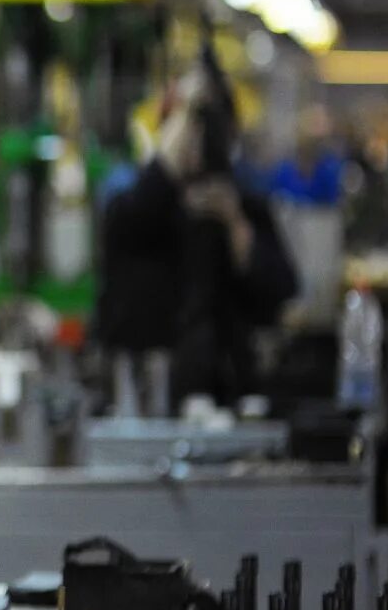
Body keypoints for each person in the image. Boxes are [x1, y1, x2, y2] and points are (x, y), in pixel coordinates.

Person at [98, 55, 298, 407]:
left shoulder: (245, 205)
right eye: (186, 128)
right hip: (150, 398)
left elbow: (280, 290)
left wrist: (235, 225)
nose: (197, 142)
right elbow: (134, 219)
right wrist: (186, 111)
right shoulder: (137, 200)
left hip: (232, 395)